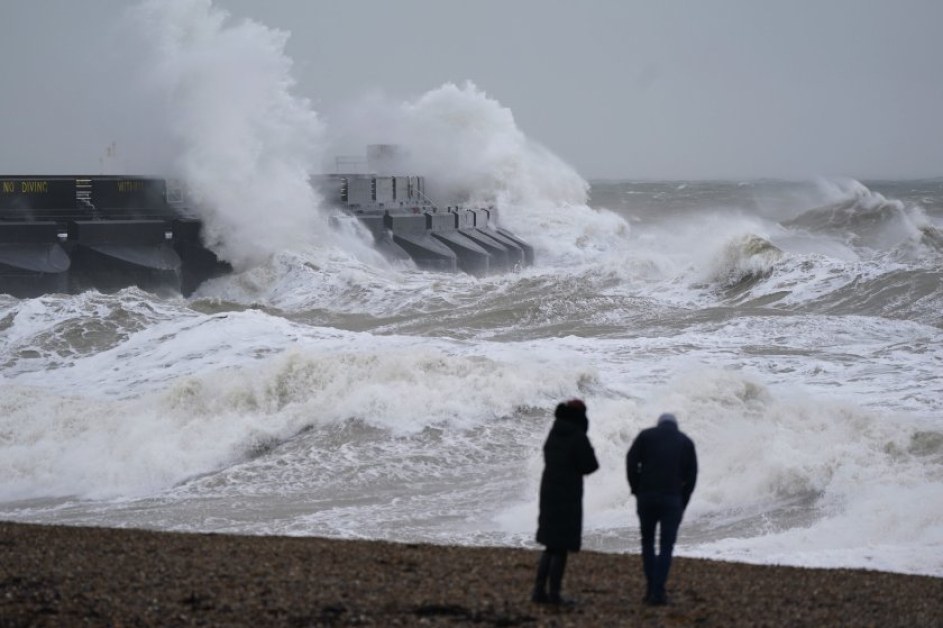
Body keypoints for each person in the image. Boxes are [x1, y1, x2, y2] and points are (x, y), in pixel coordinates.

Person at [626, 412, 698, 606]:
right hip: (672, 499)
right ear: (675, 425)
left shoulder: (645, 436)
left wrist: (636, 488)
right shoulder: (685, 442)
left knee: (647, 542)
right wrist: (683, 501)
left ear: (659, 424)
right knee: (666, 546)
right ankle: (658, 591)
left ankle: (651, 588)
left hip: (647, 496)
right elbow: (692, 477)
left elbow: (631, 461)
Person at [532, 399, 599, 605]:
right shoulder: (577, 437)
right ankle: (554, 594)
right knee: (560, 546)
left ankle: (538, 591)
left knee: (550, 546)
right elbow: (590, 465)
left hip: (549, 492)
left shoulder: (554, 433)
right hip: (567, 495)